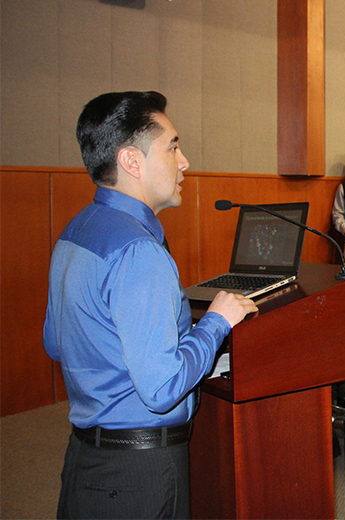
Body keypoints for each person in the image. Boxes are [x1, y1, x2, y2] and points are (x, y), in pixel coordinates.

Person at [43, 91, 258, 518]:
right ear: (131, 161)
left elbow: (57, 343)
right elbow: (161, 390)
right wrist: (216, 322)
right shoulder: (138, 251)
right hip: (138, 473)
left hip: (88, 459)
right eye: (173, 146)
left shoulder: (77, 229)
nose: (184, 162)